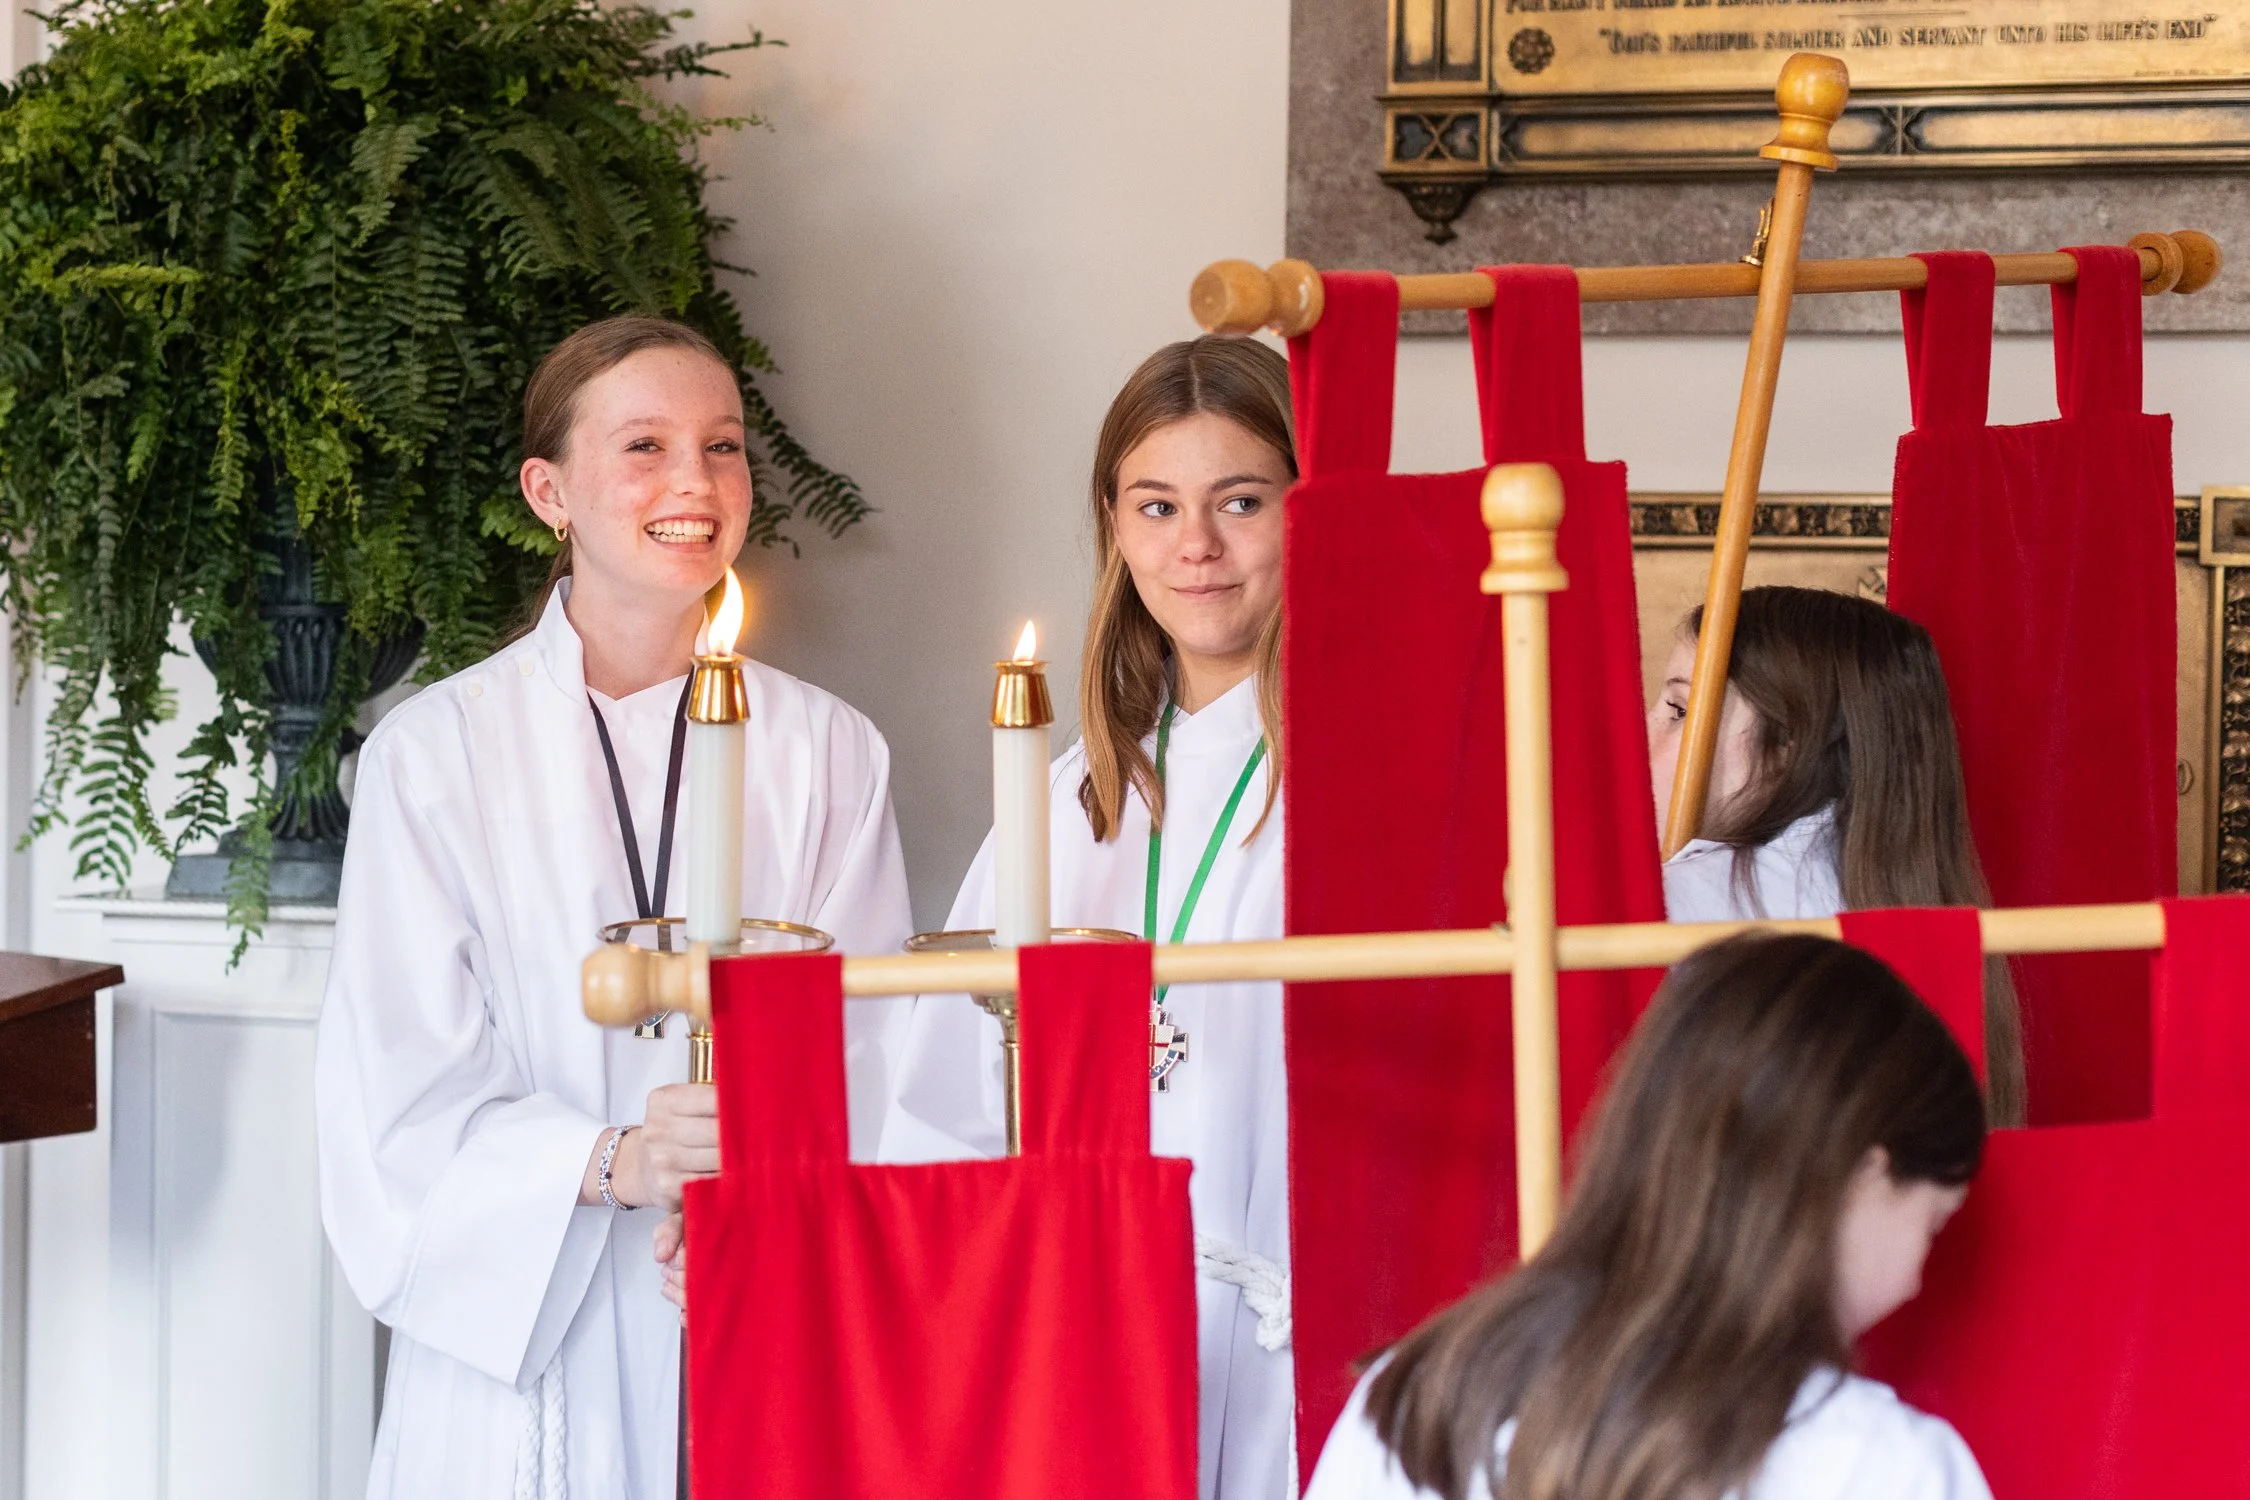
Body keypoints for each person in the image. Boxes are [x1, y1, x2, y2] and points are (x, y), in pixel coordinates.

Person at [315, 316, 913, 1500]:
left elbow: (878, 1046)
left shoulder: (830, 749)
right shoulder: (436, 753)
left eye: (725, 446)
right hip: (523, 1347)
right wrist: (622, 1160)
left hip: (747, 1304)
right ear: (551, 491)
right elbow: (397, 1087)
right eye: (644, 445)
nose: (696, 481)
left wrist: (762, 1198)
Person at [878, 336, 1295, 1499]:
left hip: (1293, 1347)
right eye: (1156, 505)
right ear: (1113, 526)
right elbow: (945, 1104)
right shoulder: (1067, 801)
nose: (1196, 546)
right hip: (1091, 1346)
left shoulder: (1367, 790)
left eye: (1243, 501)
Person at [1304, 932, 1993, 1500]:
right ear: (1862, 1177)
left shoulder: (1415, 1398)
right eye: (1932, 1225)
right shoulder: (1885, 1467)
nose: (1914, 1283)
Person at [1647, 585, 2024, 1124]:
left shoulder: (1675, 900)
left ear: (1784, 749)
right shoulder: (1927, 902)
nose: (1646, 730)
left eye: (1679, 709)